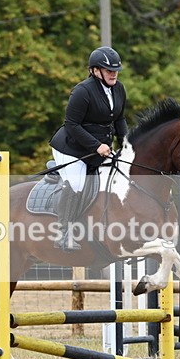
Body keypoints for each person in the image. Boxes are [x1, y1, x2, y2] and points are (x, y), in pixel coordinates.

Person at [49, 46, 128, 251]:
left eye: (115, 70)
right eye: (108, 70)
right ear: (95, 71)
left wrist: (127, 144)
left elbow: (119, 119)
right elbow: (71, 125)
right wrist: (96, 145)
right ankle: (63, 232)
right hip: (71, 148)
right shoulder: (82, 91)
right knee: (76, 183)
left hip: (98, 150)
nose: (114, 74)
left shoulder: (119, 89)